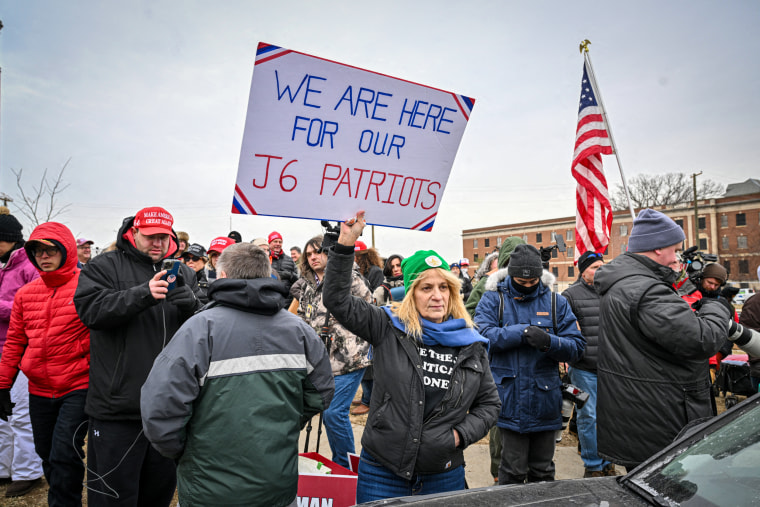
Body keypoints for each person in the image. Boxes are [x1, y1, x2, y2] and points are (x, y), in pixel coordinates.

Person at [322, 212, 499, 502]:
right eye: (426, 288)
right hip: (382, 472)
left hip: (443, 473)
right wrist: (345, 243)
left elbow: (490, 405)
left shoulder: (471, 343)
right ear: (411, 293)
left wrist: (459, 436)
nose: (437, 296)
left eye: (444, 287)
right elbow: (337, 300)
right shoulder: (387, 326)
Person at [141, 243, 334, 507]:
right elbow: (320, 393)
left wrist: (186, 450)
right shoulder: (299, 331)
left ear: (221, 276)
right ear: (267, 275)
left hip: (210, 490)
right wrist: (282, 425)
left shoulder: (199, 330)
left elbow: (160, 409)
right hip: (277, 484)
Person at [74, 206, 202, 507]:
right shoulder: (104, 266)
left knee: (157, 493)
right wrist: (143, 294)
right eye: (149, 236)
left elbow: (202, 329)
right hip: (118, 407)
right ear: (133, 233)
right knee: (112, 496)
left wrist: (191, 305)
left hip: (169, 406)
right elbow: (90, 311)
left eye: (163, 237)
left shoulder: (182, 271)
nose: (157, 243)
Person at [594, 208, 731, 470]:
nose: (678, 256)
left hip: (639, 413)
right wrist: (715, 305)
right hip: (659, 418)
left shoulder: (626, 283)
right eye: (675, 249)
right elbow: (703, 339)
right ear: (658, 248)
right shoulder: (646, 291)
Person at [474, 244, 585, 485]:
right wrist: (521, 332)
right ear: (510, 274)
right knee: (512, 470)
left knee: (543, 471)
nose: (527, 285)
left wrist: (548, 342)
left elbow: (577, 347)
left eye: (532, 281)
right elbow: (482, 338)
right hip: (508, 399)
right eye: (520, 281)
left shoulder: (556, 303)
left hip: (545, 399)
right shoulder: (493, 299)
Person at [0, 222, 90, 506]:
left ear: (67, 251)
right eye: (38, 250)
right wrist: (3, 385)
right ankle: (62, 496)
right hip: (39, 387)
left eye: (51, 250)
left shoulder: (88, 286)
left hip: (78, 384)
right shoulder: (26, 294)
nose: (44, 256)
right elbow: (14, 341)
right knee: (46, 451)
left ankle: (64, 502)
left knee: (65, 450)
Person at [296, 234, 371, 468]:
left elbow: (369, 306)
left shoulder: (347, 276)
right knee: (319, 411)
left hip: (349, 357)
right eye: (308, 254)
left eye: (317, 252)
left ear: (329, 253)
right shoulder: (308, 284)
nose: (313, 257)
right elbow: (302, 316)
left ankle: (346, 466)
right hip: (320, 360)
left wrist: (343, 326)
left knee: (333, 414)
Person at [0, 211, 44, 498]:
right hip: (2, 348)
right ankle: (5, 467)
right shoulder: (3, 266)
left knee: (21, 414)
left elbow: (32, 305)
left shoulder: (29, 265)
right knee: (2, 413)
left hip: (24, 349)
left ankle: (29, 472)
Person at [561, 251, 617, 478]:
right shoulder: (570, 296)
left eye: (602, 266)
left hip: (613, 368)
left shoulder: (613, 293)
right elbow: (563, 330)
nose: (599, 270)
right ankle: (593, 465)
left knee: (611, 418)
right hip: (584, 368)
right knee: (589, 417)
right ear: (583, 271)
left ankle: (609, 462)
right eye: (594, 267)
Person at [269, 231, 298, 297]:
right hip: (269, 298)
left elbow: (298, 279)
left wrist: (290, 275)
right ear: (269, 243)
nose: (278, 244)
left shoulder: (290, 260)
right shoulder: (265, 259)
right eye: (275, 241)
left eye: (280, 242)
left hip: (287, 301)